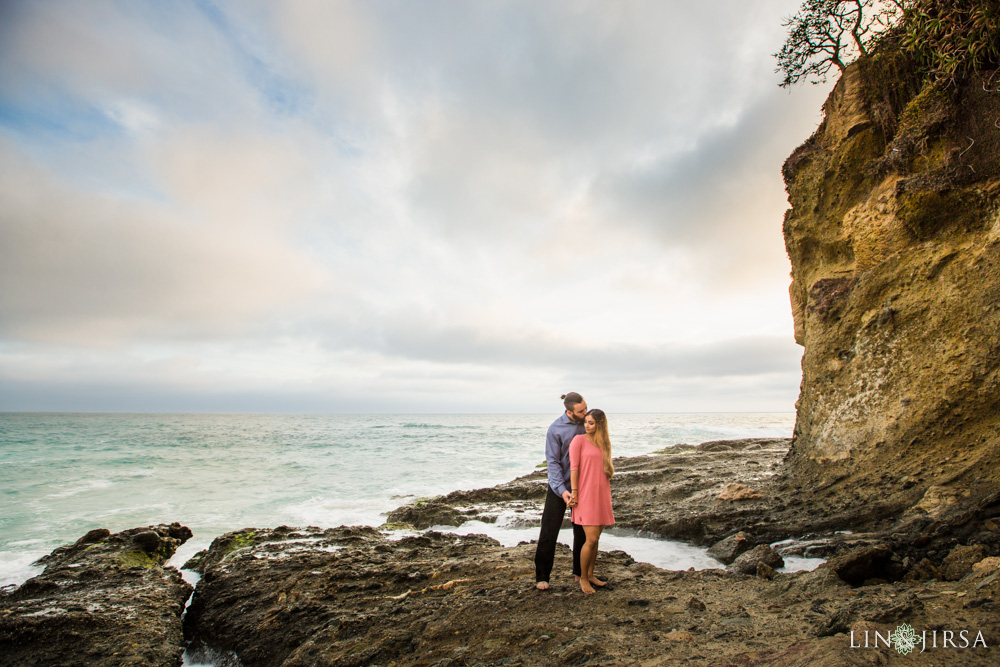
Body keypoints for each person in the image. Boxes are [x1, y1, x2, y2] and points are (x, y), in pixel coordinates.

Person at [534, 392, 588, 591]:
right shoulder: (555, 429)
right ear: (569, 411)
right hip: (559, 487)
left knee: (582, 531)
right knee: (549, 531)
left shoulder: (588, 423)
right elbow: (553, 463)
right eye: (580, 411)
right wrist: (562, 491)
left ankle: (579, 572)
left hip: (583, 486)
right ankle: (542, 576)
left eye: (585, 408)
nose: (585, 413)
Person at [569, 408, 615, 595]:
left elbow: (606, 469)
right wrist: (574, 492)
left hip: (601, 494)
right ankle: (583, 579)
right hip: (585, 495)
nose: (586, 426)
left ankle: (591, 574)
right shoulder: (578, 440)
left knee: (596, 540)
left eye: (591, 423)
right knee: (591, 539)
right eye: (586, 422)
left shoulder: (604, 444)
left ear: (600, 425)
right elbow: (574, 468)